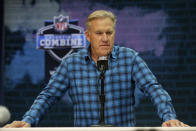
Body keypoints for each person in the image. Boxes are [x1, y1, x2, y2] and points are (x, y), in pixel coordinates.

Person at [4, 10, 189, 127]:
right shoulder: (71, 63)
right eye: (99, 33)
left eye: (109, 32)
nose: (105, 38)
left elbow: (153, 88)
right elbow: (49, 95)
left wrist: (168, 117)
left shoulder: (130, 58)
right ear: (88, 35)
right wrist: (28, 120)